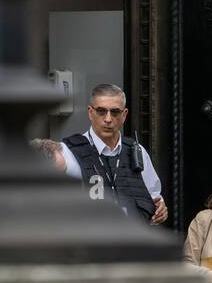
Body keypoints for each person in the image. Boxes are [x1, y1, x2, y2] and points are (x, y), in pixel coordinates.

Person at [59, 83, 168, 224]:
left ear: (124, 115)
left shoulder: (136, 151)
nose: (108, 119)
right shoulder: (68, 153)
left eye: (115, 112)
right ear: (90, 112)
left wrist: (159, 211)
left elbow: (153, 198)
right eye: (101, 111)